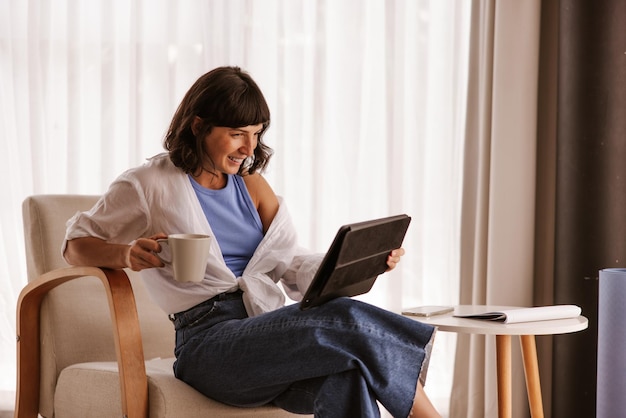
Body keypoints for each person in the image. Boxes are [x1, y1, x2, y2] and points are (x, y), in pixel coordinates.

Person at [63, 66, 441, 418]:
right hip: (207, 344)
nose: (249, 147)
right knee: (342, 317)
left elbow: (289, 262)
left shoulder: (253, 185)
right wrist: (126, 253)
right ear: (199, 126)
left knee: (349, 375)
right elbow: (76, 244)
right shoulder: (149, 183)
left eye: (257, 133)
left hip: (270, 331)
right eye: (237, 133)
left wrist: (359, 261)